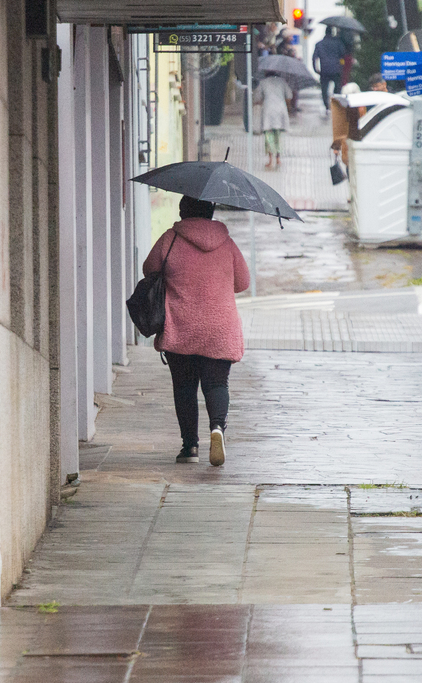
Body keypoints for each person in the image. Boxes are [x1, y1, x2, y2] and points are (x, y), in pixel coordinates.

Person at [142, 196, 250, 466]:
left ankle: (190, 447)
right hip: (220, 328)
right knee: (216, 384)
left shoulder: (171, 239)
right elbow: (243, 282)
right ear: (211, 211)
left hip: (181, 327)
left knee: (184, 388)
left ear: (182, 211)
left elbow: (149, 270)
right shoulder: (227, 243)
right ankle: (217, 430)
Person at [254, 73, 293, 170]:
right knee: (278, 135)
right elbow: (289, 95)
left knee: (268, 135)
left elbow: (257, 97)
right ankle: (278, 158)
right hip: (280, 109)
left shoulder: (262, 82)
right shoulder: (282, 81)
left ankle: (270, 159)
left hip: (268, 109)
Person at [313, 29, 346, 112]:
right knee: (337, 87)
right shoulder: (338, 43)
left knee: (324, 89)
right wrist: (341, 66)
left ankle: (327, 106)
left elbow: (314, 58)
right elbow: (343, 55)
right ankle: (335, 103)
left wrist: (316, 69)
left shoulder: (319, 44)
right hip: (336, 69)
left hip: (324, 70)